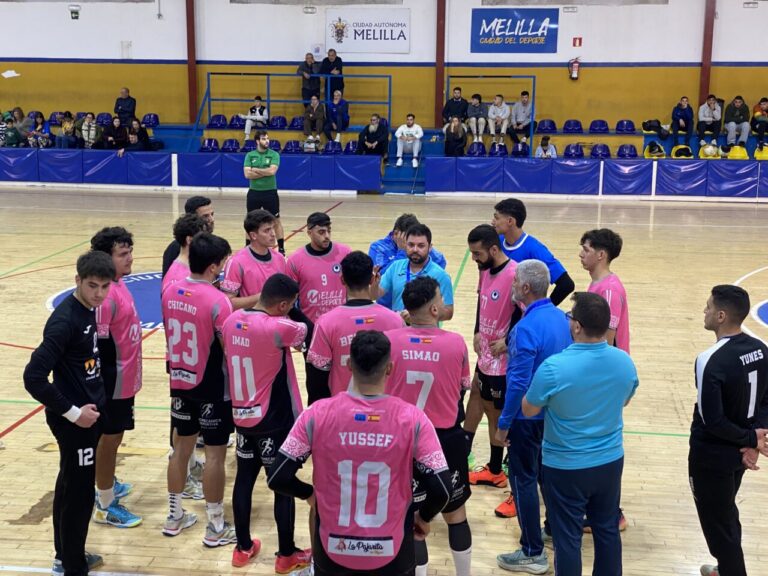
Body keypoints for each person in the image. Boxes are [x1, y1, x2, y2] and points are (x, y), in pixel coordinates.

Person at [268, 330, 452, 576]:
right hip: (392, 553)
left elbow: (278, 477)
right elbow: (442, 489)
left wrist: (310, 495)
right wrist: (424, 517)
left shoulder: (316, 414)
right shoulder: (414, 419)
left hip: (332, 552)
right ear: (390, 369)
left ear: (347, 364)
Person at [521, 292, 638, 576]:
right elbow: (624, 398)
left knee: (568, 539)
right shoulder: (624, 362)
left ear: (576, 326)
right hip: (609, 462)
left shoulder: (554, 367)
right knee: (607, 530)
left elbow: (528, 408)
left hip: (565, 467)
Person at [23, 251, 116, 576]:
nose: (99, 294)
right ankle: (74, 566)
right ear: (77, 281)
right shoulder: (64, 321)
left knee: (69, 485)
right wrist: (74, 413)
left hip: (86, 416)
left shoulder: (88, 308)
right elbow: (33, 377)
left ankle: (66, 555)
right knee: (78, 496)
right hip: (73, 422)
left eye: (105, 287)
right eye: (92, 286)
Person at [224, 274, 312, 573]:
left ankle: (243, 547)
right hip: (274, 418)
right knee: (281, 484)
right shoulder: (280, 326)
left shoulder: (231, 320)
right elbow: (307, 331)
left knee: (244, 480)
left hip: (241, 416)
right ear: (284, 304)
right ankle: (286, 554)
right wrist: (293, 309)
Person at [386, 277, 473, 576]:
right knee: (456, 513)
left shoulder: (389, 341)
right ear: (435, 309)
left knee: (412, 516)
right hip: (446, 440)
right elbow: (464, 386)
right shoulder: (456, 343)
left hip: (404, 441)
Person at [493, 260, 572, 574]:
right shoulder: (564, 320)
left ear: (526, 288)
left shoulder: (524, 329)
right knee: (546, 476)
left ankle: (532, 552)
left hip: (528, 419)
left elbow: (518, 384)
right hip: (556, 416)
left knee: (523, 480)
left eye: (515, 282)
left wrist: (503, 424)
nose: (512, 286)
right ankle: (551, 529)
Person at [161, 232, 237, 546]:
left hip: (180, 381)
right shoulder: (218, 300)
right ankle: (216, 525)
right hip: (211, 387)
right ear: (214, 267)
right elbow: (228, 347)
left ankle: (174, 516)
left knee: (181, 450)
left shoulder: (169, 291)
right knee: (216, 457)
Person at [689, 285, 768, 576]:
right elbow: (766, 399)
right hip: (740, 456)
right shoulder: (761, 349)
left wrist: (752, 439)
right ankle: (725, 568)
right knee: (726, 514)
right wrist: (754, 440)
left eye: (708, 306)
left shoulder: (710, 359)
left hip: (712, 456)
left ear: (721, 315)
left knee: (720, 529)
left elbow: (712, 420)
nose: (705, 311)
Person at [462, 226, 519, 513]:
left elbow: (526, 311)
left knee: (496, 415)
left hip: (502, 360)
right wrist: (475, 330)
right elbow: (480, 301)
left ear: (493, 250)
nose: (474, 258)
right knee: (477, 399)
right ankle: (488, 465)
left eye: (477, 253)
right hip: (484, 353)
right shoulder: (484, 270)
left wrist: (508, 341)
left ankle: (501, 470)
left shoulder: (514, 274)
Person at [89, 228, 143, 530]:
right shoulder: (105, 296)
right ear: (105, 259)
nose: (130, 258)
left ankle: (105, 480)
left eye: (130, 252)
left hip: (126, 377)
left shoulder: (119, 283)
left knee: (114, 438)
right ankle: (106, 503)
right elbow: (100, 348)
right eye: (123, 254)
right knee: (109, 439)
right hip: (113, 381)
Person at [307, 251, 403, 399]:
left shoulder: (326, 323)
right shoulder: (395, 321)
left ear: (342, 279)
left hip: (343, 414)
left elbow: (316, 381)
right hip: (386, 413)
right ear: (372, 279)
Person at [492, 198, 575, 306]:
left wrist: (542, 309)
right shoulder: (497, 241)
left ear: (510, 221)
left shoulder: (535, 249)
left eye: (497, 218)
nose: (493, 222)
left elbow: (566, 284)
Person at [287, 211, 352, 325]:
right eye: (321, 232)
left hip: (341, 323)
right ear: (309, 233)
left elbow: (354, 289)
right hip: (310, 325)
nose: (326, 236)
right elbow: (289, 300)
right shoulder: (295, 260)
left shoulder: (345, 252)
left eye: (329, 231)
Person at [379, 224, 454, 321]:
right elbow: (376, 294)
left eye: (421, 246)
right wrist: (372, 283)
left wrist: (419, 315)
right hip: (398, 332)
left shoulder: (441, 275)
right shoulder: (395, 267)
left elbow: (448, 312)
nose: (415, 249)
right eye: (411, 245)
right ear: (405, 245)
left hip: (426, 334)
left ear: (430, 247)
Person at [221, 209, 287, 311]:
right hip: (251, 323)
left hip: (278, 321)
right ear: (253, 235)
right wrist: (262, 297)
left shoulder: (280, 259)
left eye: (273, 228)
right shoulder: (236, 262)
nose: (273, 234)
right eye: (267, 230)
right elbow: (229, 302)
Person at [580, 228, 630, 354]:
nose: (580, 254)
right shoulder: (598, 282)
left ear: (601, 255)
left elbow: (607, 340)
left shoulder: (609, 290)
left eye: (586, 250)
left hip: (607, 368)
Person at [243, 130, 285, 254]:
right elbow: (247, 174)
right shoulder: (250, 155)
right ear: (257, 141)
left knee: (276, 221)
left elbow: (272, 172)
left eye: (267, 138)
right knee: (250, 221)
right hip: (254, 193)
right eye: (263, 139)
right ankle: (247, 249)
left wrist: (255, 170)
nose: (267, 141)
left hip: (270, 193)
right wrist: (264, 172)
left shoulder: (274, 154)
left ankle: (281, 249)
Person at [368, 213, 447, 276]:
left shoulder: (416, 245)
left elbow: (441, 262)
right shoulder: (378, 248)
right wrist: (402, 251)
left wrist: (426, 250)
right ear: (396, 234)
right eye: (408, 238)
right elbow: (381, 275)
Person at [161, 196, 215, 276]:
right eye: (205, 216)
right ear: (193, 218)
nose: (212, 219)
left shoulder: (213, 243)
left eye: (212, 214)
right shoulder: (175, 249)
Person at [162, 214, 208, 295]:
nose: (207, 241)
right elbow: (178, 294)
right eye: (203, 237)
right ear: (189, 240)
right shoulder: (176, 277)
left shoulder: (193, 266)